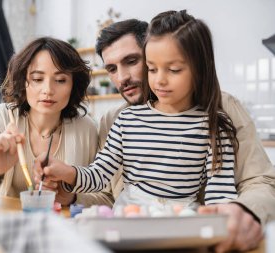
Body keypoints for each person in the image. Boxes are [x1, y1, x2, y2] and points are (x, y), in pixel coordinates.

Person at [35, 13, 275, 252]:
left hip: (182, 228)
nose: (122, 78)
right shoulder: (122, 119)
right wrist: (67, 179)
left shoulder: (217, 118)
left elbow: (225, 193)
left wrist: (227, 220)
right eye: (152, 69)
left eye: (131, 61)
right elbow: (101, 179)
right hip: (127, 225)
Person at [0, 37, 103, 204]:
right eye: (37, 79)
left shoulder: (87, 128)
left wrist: (71, 197)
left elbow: (106, 197)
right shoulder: (2, 117)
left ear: (73, 85)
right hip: (10, 224)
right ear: (23, 81)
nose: (48, 90)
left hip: (62, 226)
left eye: (60, 80)